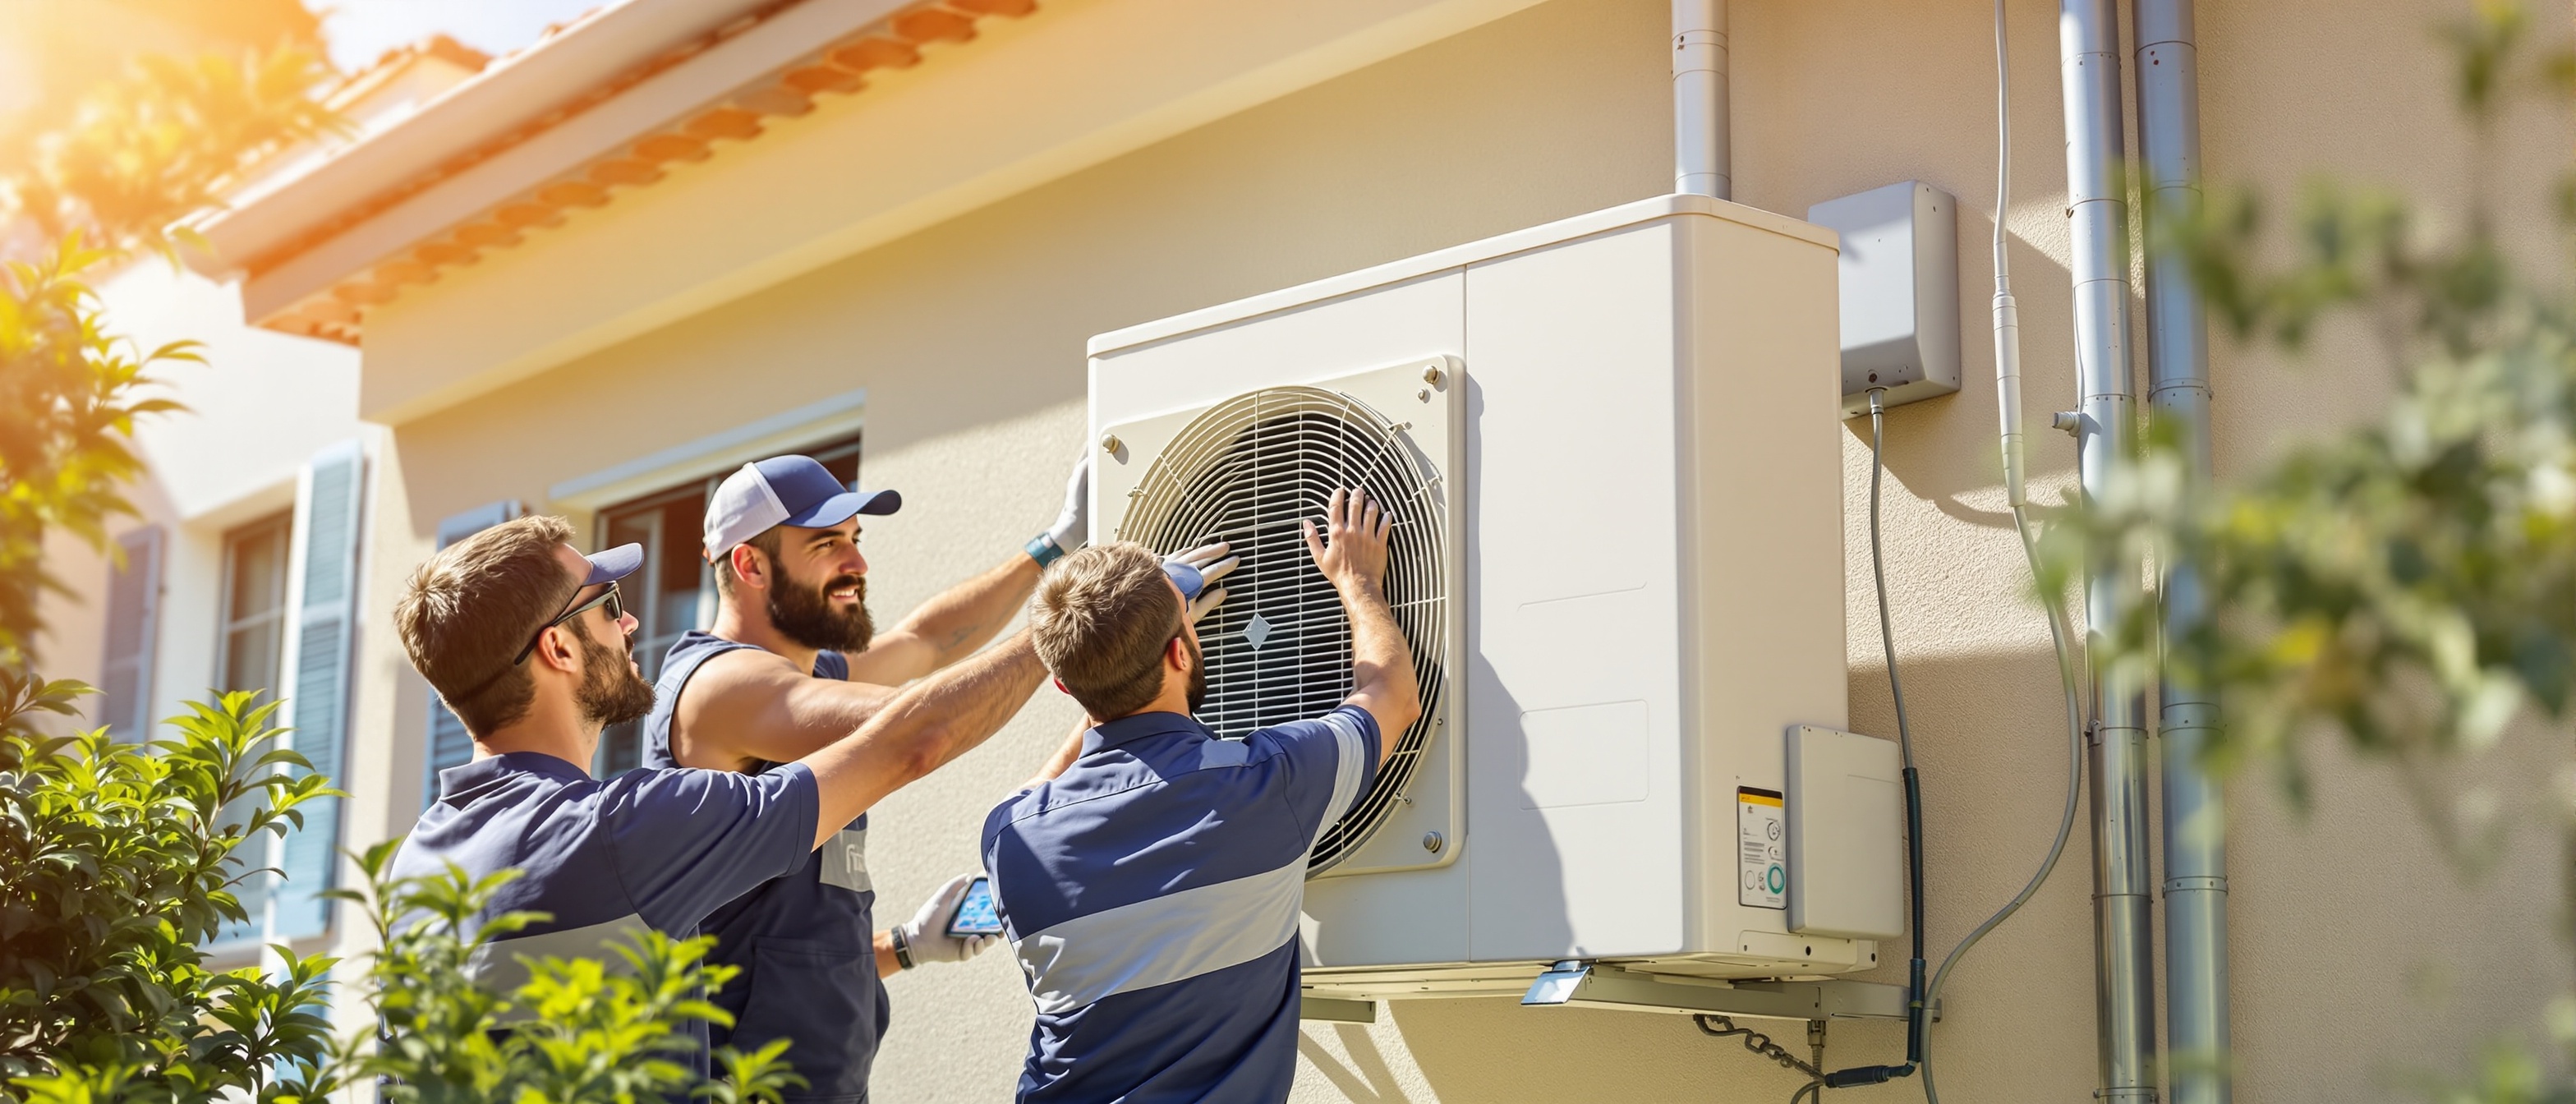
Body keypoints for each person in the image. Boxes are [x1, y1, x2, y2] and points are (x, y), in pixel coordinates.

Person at [388, 513, 1047, 1079]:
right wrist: (1075, 624)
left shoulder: (417, 865)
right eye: (610, 606)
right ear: (558, 647)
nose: (632, 620)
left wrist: (899, 948)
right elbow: (910, 742)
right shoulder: (623, 831)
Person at [637, 452, 1119, 1102]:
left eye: (857, 541)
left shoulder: (809, 676)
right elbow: (916, 733)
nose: (858, 564)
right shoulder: (721, 688)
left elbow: (928, 640)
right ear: (750, 565)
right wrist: (1080, 623)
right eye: (827, 543)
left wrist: (1055, 544)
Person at [983, 488, 1421, 1104]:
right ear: (1180, 651)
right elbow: (1395, 696)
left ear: (1061, 685)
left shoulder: (1009, 838)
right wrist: (1358, 580)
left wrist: (1112, 655)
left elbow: (1045, 781)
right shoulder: (1266, 784)